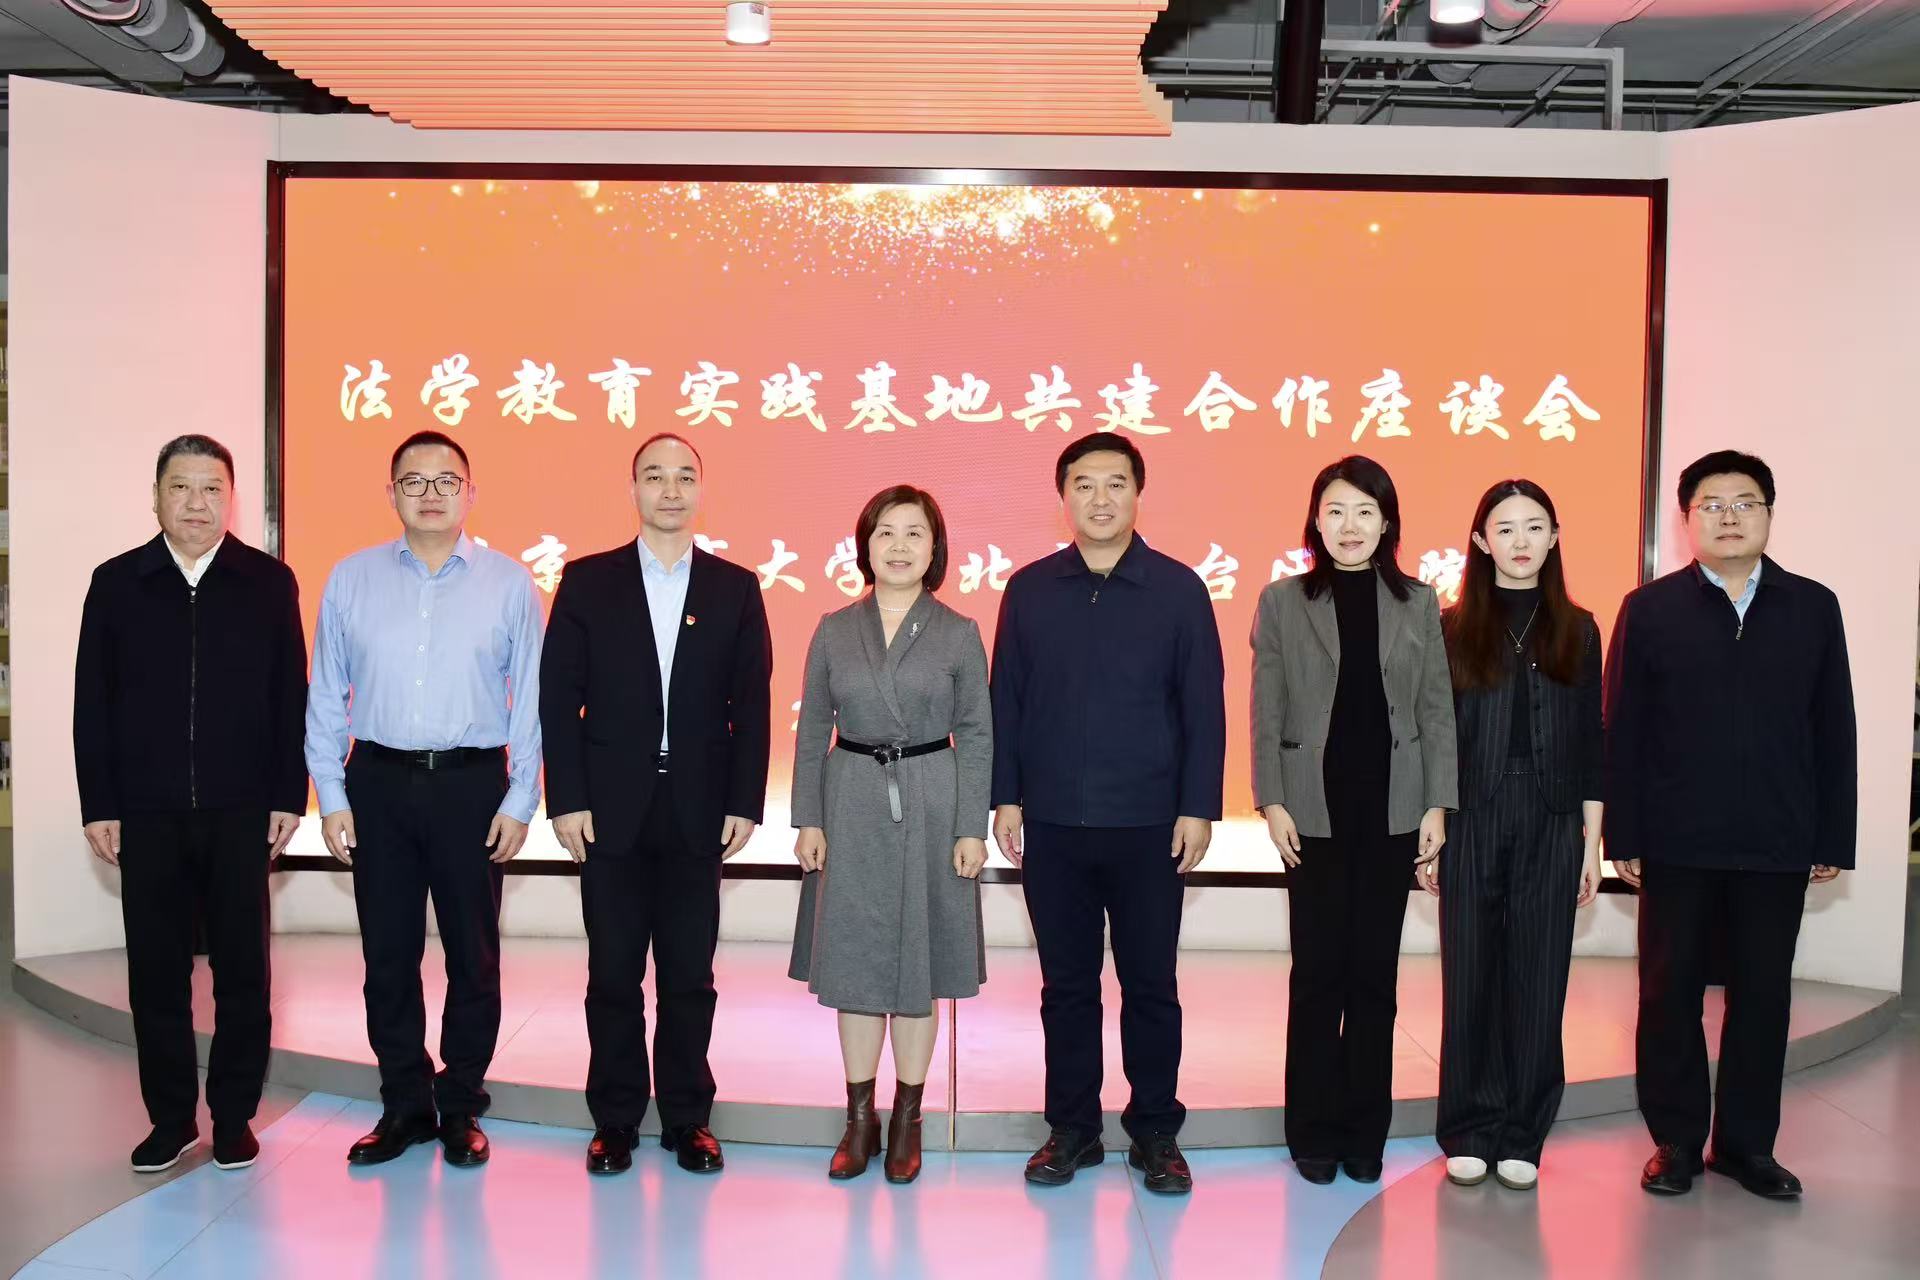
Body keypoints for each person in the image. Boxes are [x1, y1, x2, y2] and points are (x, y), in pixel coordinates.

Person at [1606, 450, 1855, 1200]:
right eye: (1711, 505)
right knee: (1668, 992)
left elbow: (1833, 728)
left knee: (1763, 997)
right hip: (1677, 839)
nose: (1729, 517)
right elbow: (1623, 730)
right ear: (1686, 520)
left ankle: (1746, 1147)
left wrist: (1831, 835)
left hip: (1777, 837)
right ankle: (1677, 1141)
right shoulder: (1649, 609)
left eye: (1745, 502)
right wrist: (1624, 835)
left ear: (1769, 514)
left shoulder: (1813, 606)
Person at [991, 434, 1225, 1196]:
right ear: (1064, 496)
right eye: (1084, 484)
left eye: (1115, 483)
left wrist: (1198, 807)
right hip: (1053, 825)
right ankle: (1073, 1129)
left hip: (1150, 826)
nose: (1100, 499)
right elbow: (1006, 700)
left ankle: (1155, 1131)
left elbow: (1204, 709)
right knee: (1066, 987)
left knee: (1151, 985)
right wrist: (1006, 796)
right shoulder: (1029, 590)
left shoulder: (1179, 590)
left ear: (1137, 494)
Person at [306, 430, 543, 1169]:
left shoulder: (509, 583)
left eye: (447, 481)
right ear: (391, 494)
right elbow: (326, 696)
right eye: (414, 481)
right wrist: (331, 793)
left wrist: (521, 798)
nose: (431, 494)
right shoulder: (351, 578)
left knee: (474, 956)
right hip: (376, 782)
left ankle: (462, 1102)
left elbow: (531, 700)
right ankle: (404, 1104)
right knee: (388, 955)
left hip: (473, 786)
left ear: (471, 493)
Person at [73, 434, 308, 1175]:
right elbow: (92, 703)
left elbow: (290, 697)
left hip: (242, 810)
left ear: (230, 499)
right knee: (156, 974)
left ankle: (234, 1117)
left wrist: (286, 794)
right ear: (156, 497)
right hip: (147, 812)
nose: (196, 504)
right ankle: (171, 1119)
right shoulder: (117, 583)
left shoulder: (268, 582)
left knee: (243, 973)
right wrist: (99, 803)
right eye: (180, 488)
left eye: (211, 489)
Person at [540, 432, 772, 1177]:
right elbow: (558, 700)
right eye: (654, 476)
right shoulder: (587, 581)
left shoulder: (735, 588)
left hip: (698, 807)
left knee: (688, 977)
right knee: (612, 973)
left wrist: (745, 800)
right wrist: (566, 799)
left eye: (684, 477)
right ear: (633, 489)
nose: (670, 491)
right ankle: (614, 1120)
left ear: (700, 489)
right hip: (608, 809)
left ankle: (687, 1118)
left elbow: (752, 706)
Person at [1250, 455, 1456, 1187]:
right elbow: (1266, 706)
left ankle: (1365, 1131)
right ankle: (1311, 1131)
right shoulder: (1283, 600)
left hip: (1393, 812)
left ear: (1387, 521)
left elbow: (1436, 708)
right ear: (1315, 520)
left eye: (1365, 511)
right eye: (1335, 510)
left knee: (1375, 980)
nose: (1349, 525)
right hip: (1312, 813)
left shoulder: (1419, 602)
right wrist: (1271, 799)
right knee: (1317, 978)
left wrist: (1438, 803)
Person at [789, 485, 991, 1184]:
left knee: (919, 967)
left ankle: (908, 1119)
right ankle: (859, 1119)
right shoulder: (833, 629)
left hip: (933, 800)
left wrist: (971, 827)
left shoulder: (959, 631)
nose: (899, 546)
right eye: (885, 533)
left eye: (914, 533)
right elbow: (812, 730)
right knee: (853, 965)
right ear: (865, 546)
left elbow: (977, 733)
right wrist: (808, 818)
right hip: (850, 799)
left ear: (936, 548)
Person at [1424, 479, 1603, 1192]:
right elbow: (1435, 734)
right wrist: (1434, 821)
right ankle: (1469, 1126)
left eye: (1534, 526)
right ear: (1480, 541)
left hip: (1554, 817)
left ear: (1555, 537)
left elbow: (1593, 739)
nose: (1520, 540)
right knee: (1470, 973)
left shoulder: (1580, 628)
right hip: (1472, 814)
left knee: (1539, 975)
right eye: (1505, 528)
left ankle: (1524, 1129)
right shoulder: (1449, 626)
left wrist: (1592, 842)